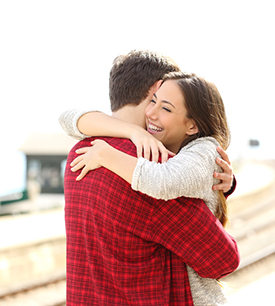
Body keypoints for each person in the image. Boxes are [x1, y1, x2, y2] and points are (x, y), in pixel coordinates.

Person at [62, 50, 240, 306]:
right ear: (157, 88)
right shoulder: (149, 166)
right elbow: (221, 260)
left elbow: (69, 118)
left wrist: (226, 183)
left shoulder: (80, 153)